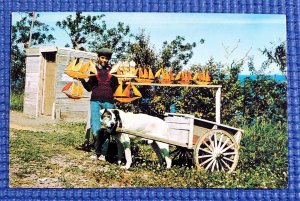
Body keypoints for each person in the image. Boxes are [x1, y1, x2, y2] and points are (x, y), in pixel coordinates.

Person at [80, 48, 119, 160]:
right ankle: (96, 151)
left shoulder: (113, 71)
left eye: (107, 58)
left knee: (107, 126)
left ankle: (104, 153)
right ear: (98, 58)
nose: (104, 60)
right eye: (102, 57)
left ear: (109, 59)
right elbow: (88, 88)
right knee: (95, 126)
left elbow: (116, 88)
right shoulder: (94, 71)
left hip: (108, 102)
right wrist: (82, 80)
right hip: (95, 101)